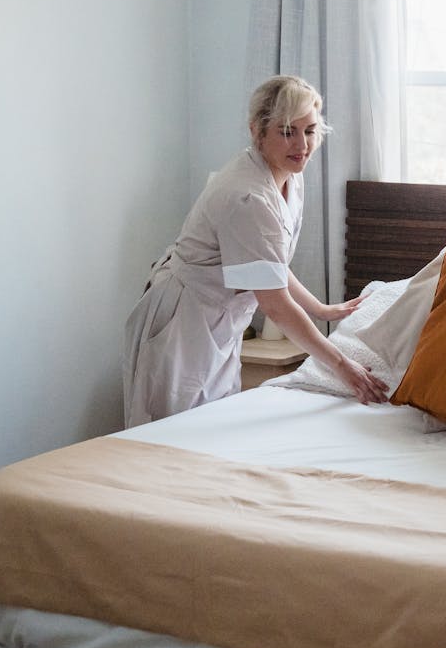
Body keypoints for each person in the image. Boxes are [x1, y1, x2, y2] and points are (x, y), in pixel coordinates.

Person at [122, 75, 389, 428]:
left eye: (310, 131)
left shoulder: (289, 175)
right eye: (287, 131)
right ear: (257, 131)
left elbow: (268, 262)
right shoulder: (249, 196)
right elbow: (275, 304)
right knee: (169, 430)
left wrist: (321, 309)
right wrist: (342, 366)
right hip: (183, 318)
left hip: (216, 320)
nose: (302, 145)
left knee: (209, 428)